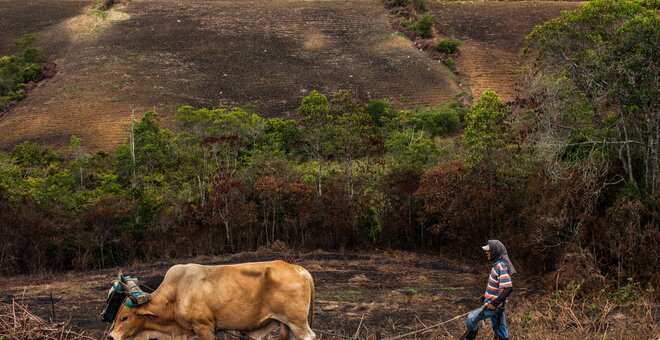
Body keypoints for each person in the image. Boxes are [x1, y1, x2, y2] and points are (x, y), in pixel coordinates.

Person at [463, 240, 516, 340]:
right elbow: (497, 285)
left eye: (489, 251)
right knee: (502, 332)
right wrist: (486, 295)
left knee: (471, 318)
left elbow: (508, 288)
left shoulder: (501, 266)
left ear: (495, 252)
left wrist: (494, 303)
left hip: (495, 306)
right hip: (494, 304)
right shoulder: (495, 265)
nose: (486, 253)